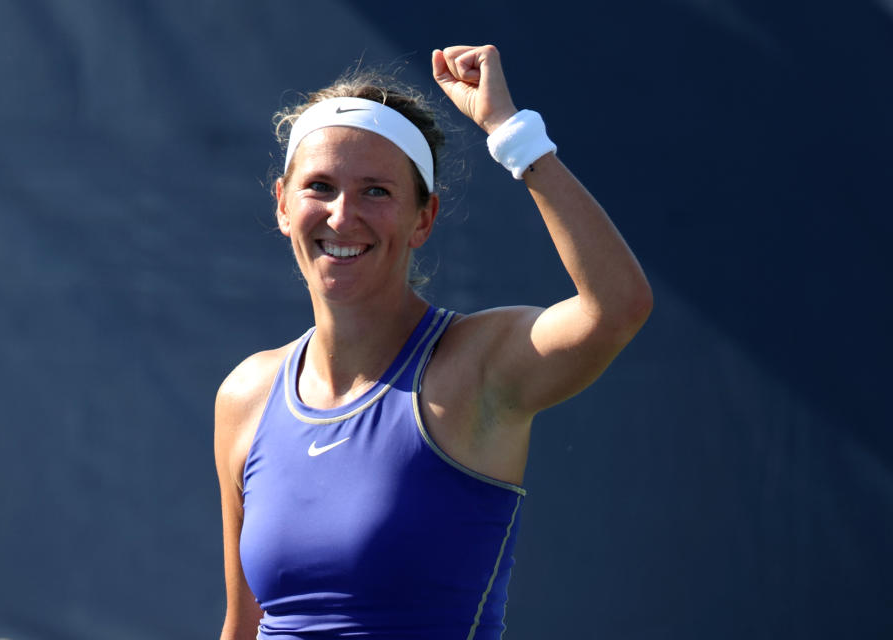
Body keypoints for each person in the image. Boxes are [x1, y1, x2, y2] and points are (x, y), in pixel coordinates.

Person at [215, 44, 653, 640]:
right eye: (320, 186)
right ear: (284, 207)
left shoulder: (476, 365)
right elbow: (243, 626)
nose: (342, 217)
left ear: (424, 218)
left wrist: (512, 133)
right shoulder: (247, 394)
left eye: (376, 191)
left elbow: (617, 307)